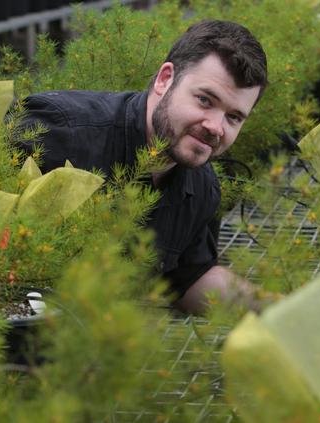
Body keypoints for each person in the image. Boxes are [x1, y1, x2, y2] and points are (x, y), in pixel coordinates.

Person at [18, 20, 268, 314]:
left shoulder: (202, 186)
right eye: (204, 100)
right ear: (164, 80)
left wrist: (278, 310)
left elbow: (189, 277)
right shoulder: (60, 131)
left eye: (234, 117)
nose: (215, 127)